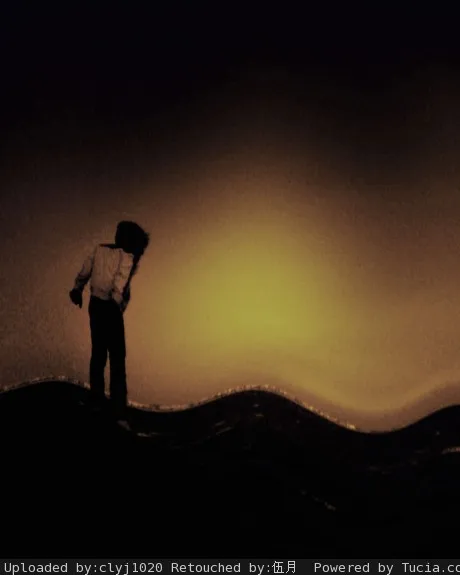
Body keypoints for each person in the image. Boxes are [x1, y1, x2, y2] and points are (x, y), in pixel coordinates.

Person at [69, 221, 149, 429]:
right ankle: (118, 413)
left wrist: (77, 289)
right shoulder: (127, 257)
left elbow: (85, 272)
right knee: (117, 360)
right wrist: (116, 305)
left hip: (95, 305)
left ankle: (96, 402)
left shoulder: (99, 249)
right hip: (109, 308)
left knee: (98, 355)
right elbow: (119, 284)